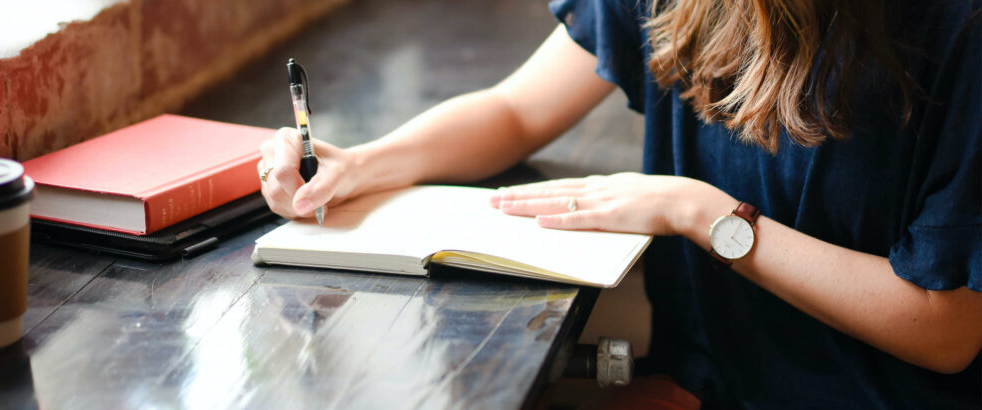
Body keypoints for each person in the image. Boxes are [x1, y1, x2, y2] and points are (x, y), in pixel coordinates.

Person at [258, 0, 981, 407]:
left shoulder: (958, 32)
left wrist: (703, 214)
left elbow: (946, 331)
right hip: (706, 387)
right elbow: (516, 109)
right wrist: (362, 164)